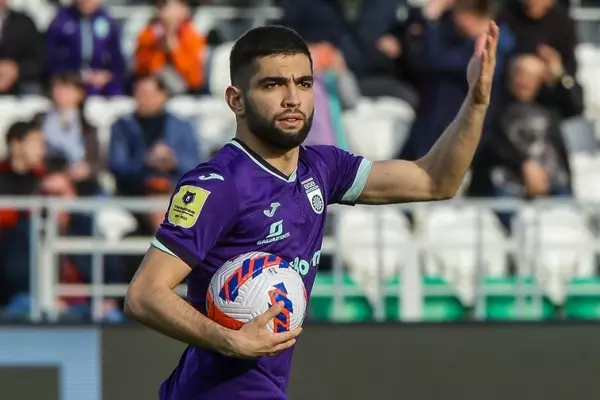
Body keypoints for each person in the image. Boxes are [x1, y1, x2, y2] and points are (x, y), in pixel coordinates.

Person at [124, 23, 499, 400]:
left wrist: (477, 101)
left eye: (303, 83)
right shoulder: (220, 184)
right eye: (272, 85)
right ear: (236, 100)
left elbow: (435, 181)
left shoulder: (322, 168)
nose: (292, 98)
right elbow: (144, 293)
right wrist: (229, 340)